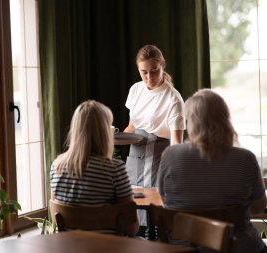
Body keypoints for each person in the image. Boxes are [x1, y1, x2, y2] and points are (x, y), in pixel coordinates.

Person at [157, 89, 267, 253]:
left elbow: (165, 200)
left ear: (191, 122)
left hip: (183, 248)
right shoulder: (245, 158)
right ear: (225, 120)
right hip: (238, 248)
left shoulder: (170, 155)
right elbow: (259, 207)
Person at [50, 100, 139, 236]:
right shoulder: (115, 168)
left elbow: (56, 216)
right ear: (105, 132)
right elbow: (131, 226)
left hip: (67, 247)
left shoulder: (57, 166)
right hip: (107, 247)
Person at [124, 44, 185, 188]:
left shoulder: (173, 99)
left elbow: (176, 143)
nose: (149, 77)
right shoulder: (135, 89)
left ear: (163, 65)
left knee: (153, 208)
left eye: (154, 71)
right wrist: (110, 140)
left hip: (158, 162)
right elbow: (132, 127)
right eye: (144, 72)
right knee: (131, 206)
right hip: (135, 159)